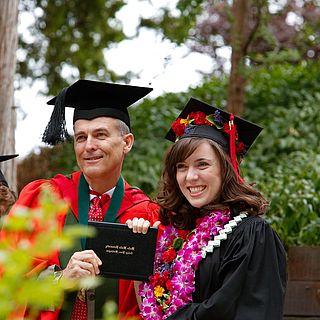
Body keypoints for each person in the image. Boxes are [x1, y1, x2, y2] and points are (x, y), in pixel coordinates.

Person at [2, 80, 159, 320]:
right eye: (81, 137)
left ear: (126, 143)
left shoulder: (146, 216)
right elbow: (7, 274)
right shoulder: (43, 198)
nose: (89, 146)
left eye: (100, 135)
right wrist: (59, 278)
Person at [128, 97, 287, 320]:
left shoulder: (252, 235)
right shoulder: (174, 236)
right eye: (181, 167)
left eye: (202, 164)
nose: (190, 177)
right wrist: (141, 252)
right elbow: (151, 306)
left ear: (226, 168)